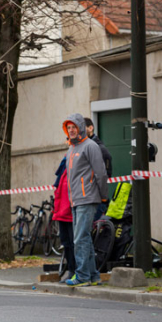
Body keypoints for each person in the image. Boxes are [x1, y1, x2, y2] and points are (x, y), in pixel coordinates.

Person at [62, 113, 108, 287]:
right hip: (76, 200)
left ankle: (82, 276)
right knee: (84, 238)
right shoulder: (71, 149)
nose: (71, 130)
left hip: (87, 198)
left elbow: (101, 173)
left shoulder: (90, 146)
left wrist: (103, 196)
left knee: (80, 238)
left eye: (74, 127)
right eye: (69, 128)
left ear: (81, 127)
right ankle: (93, 276)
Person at [83, 117, 113, 221]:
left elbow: (105, 173)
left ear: (90, 128)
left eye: (82, 127)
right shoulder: (81, 146)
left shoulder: (98, 147)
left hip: (95, 198)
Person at [53, 156, 75, 281]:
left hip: (70, 212)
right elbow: (59, 190)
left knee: (74, 243)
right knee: (66, 243)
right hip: (62, 212)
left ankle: (76, 271)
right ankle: (71, 270)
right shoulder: (64, 171)